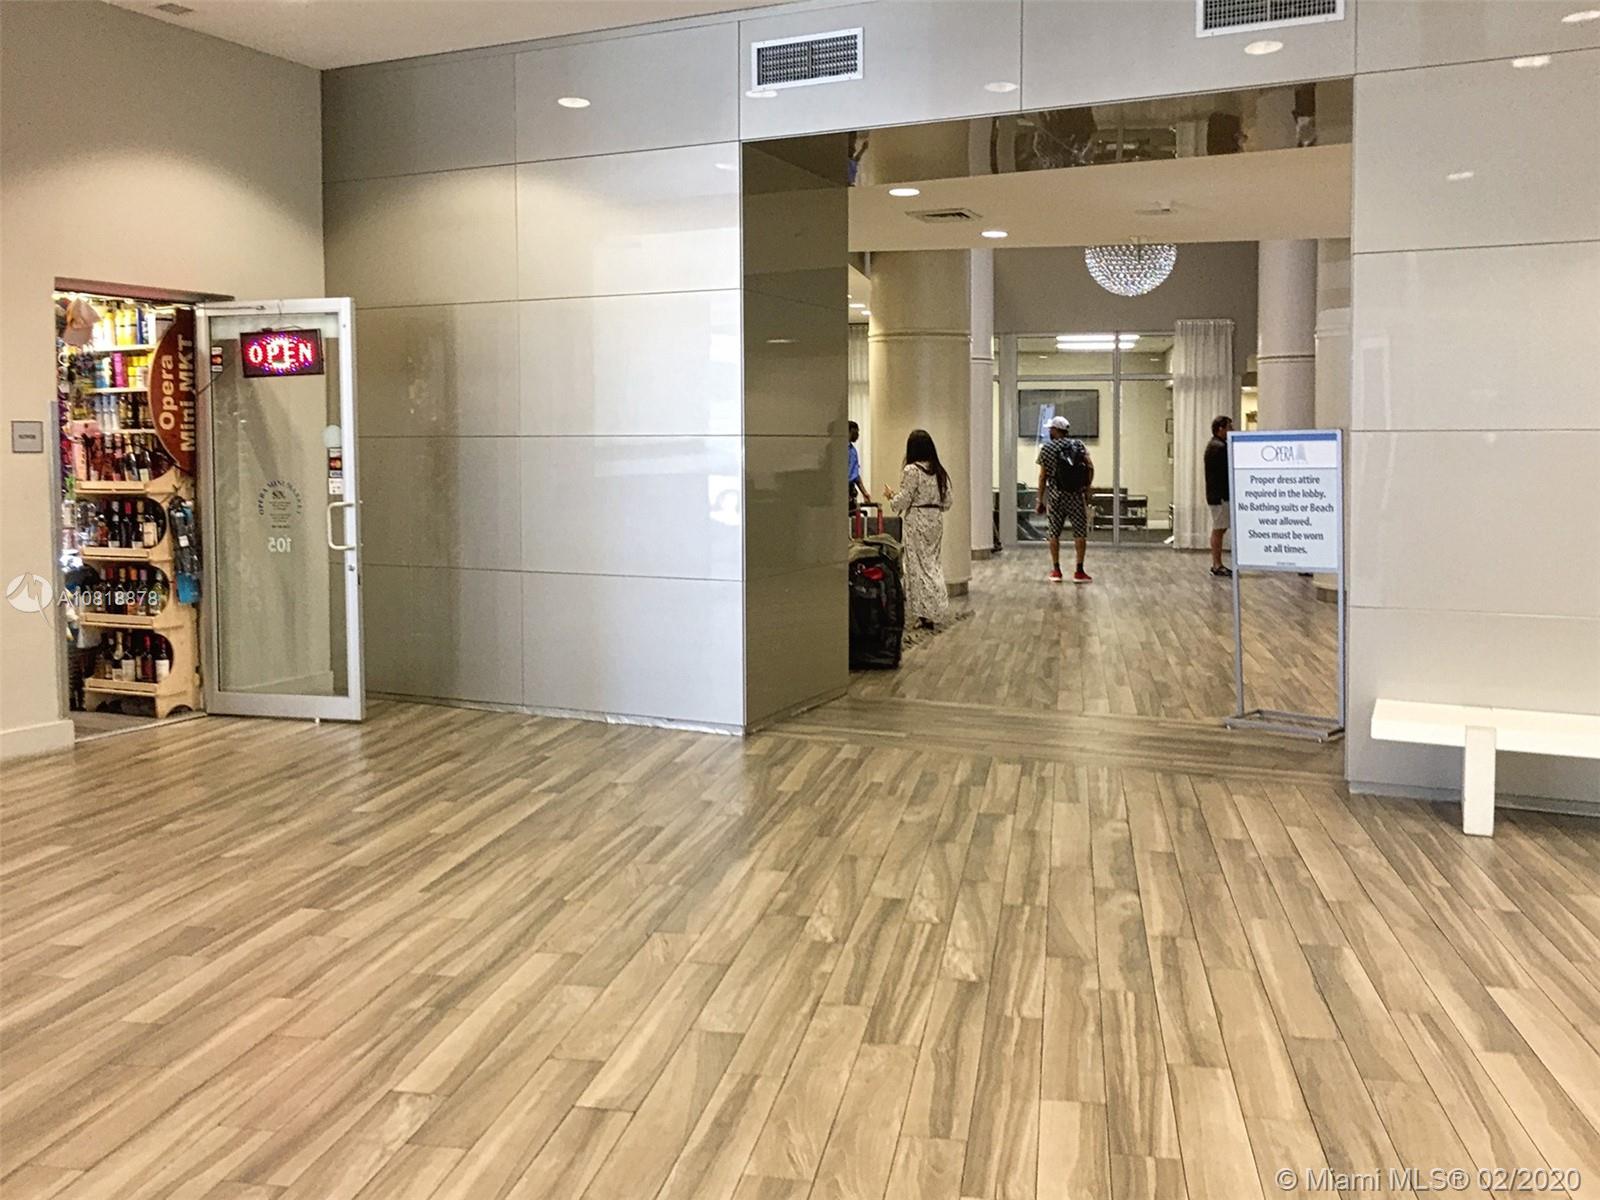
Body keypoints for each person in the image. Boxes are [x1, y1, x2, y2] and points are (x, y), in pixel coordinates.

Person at [884, 428, 952, 627]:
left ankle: (923, 612)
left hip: (917, 520)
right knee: (933, 564)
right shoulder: (939, 470)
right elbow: (948, 501)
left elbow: (903, 501)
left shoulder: (911, 470)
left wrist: (890, 496)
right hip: (935, 519)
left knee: (917, 567)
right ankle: (938, 606)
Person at [1035, 415, 1094, 583]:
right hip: (1075, 495)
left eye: (1050, 429)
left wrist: (1040, 500)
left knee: (1054, 533)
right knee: (1080, 532)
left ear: (1055, 430)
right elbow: (1090, 466)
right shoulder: (1078, 445)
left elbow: (1042, 477)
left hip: (1056, 496)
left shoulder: (1047, 449)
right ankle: (1079, 571)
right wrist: (1086, 487)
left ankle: (1056, 570)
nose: (1049, 431)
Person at [1205, 414, 1233, 577]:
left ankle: (1217, 563)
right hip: (1219, 496)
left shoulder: (1215, 445)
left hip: (1216, 495)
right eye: (1229, 427)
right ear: (1220, 429)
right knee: (1219, 529)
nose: (1232, 430)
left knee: (1220, 528)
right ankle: (1217, 564)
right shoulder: (1219, 447)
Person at [847, 420, 870, 512]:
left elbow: (855, 475)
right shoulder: (839, 449)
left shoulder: (853, 451)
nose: (857, 435)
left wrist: (864, 492)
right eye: (856, 432)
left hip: (850, 490)